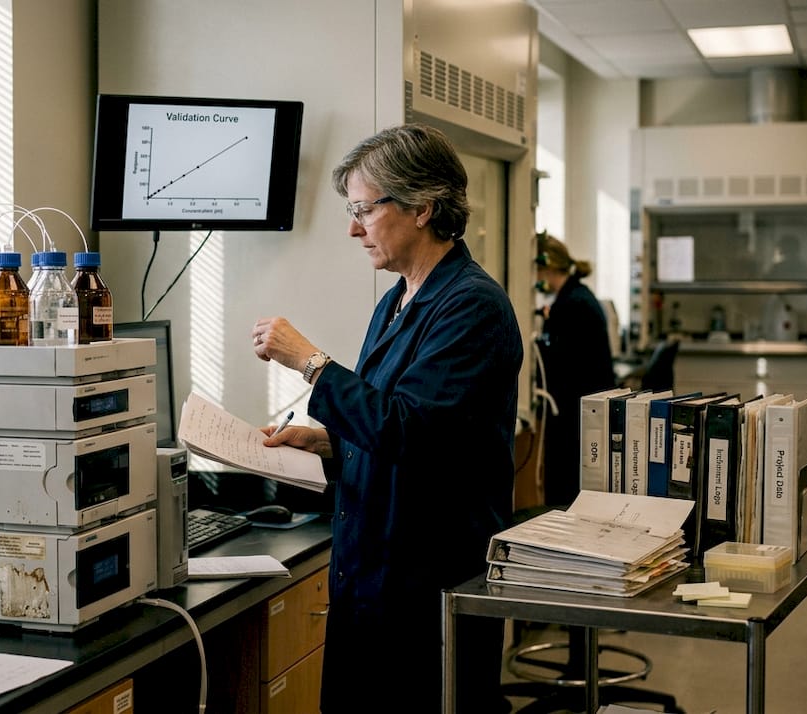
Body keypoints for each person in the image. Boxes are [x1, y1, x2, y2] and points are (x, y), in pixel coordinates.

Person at [250, 124, 522, 712]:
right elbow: (391, 419)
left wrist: (311, 362)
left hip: (426, 584)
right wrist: (327, 441)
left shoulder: (473, 306)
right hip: (371, 574)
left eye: (363, 210)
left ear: (422, 206)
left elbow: (410, 432)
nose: (353, 229)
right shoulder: (399, 297)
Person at [534, 232, 615, 507]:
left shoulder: (572, 304)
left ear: (546, 267)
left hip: (574, 414)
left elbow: (559, 362)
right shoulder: (576, 296)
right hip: (581, 407)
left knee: (565, 494)